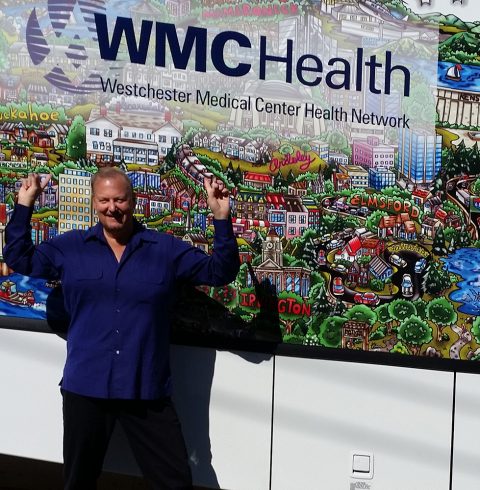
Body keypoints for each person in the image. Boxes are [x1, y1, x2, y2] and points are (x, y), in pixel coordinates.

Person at [3, 168, 240, 490]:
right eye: (104, 200)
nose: (112, 207)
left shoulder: (165, 250)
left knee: (175, 483)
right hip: (86, 387)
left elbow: (220, 272)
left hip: (145, 389)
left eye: (119, 199)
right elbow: (18, 257)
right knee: (79, 482)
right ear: (94, 202)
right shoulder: (71, 248)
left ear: (134, 201)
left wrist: (222, 218)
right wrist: (24, 204)